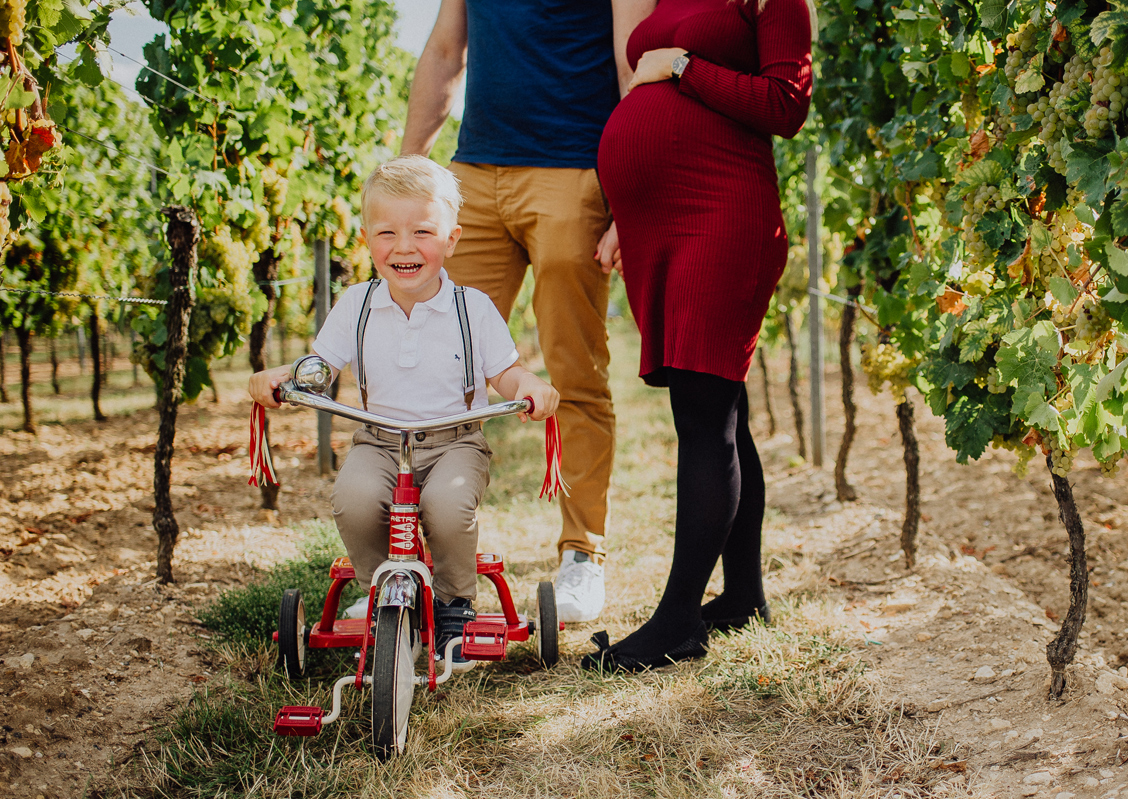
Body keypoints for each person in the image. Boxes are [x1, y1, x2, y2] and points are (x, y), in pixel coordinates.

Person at [400, 0, 656, 623]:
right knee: (433, 372)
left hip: (573, 172)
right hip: (473, 175)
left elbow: (632, 69)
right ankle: (415, 566)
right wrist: (408, 177)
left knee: (574, 373)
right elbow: (442, 53)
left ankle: (582, 555)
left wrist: (628, 196)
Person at [249, 156, 559, 662]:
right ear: (369, 240)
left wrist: (529, 386)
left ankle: (455, 600)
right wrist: (285, 377)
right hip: (379, 439)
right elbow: (320, 366)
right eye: (387, 233)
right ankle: (379, 593)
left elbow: (505, 373)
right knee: (353, 498)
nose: (405, 247)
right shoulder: (357, 303)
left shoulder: (472, 308)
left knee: (448, 505)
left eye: (422, 231)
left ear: (452, 240)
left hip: (453, 440)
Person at [582, 0, 815, 672]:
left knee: (705, 413)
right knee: (722, 411)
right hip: (667, 220)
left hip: (723, 208)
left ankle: (679, 619)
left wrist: (683, 65)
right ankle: (742, 596)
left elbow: (785, 103)